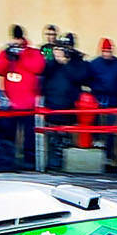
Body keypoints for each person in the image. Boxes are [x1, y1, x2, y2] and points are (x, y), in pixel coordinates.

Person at [38, 29, 85, 168]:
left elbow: (80, 77)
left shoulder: (77, 59)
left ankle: (66, 163)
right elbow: (42, 70)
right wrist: (55, 59)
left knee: (67, 138)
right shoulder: (49, 54)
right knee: (52, 137)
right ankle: (52, 162)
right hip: (52, 104)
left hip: (69, 106)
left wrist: (67, 62)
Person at [0, 25, 43, 153]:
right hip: (10, 102)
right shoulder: (6, 52)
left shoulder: (33, 52)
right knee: (8, 134)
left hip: (29, 103)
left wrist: (21, 56)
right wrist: (7, 56)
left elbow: (38, 68)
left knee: (29, 135)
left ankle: (29, 159)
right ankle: (7, 157)